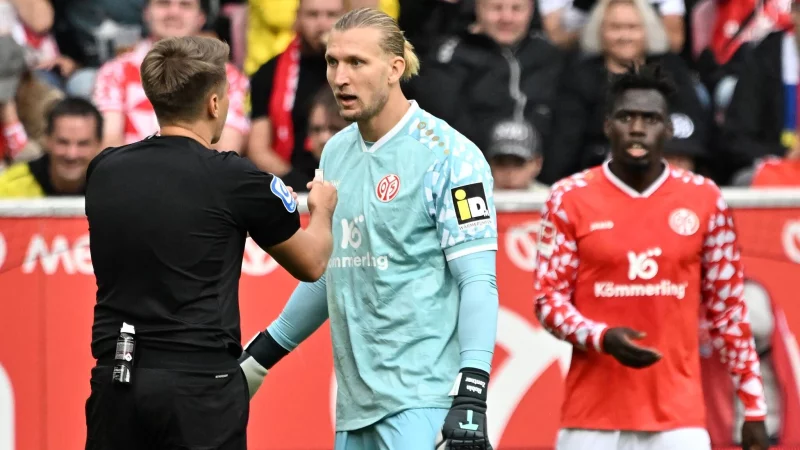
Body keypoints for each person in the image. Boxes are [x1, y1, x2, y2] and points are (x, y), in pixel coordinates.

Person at [239, 7, 500, 450]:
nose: (340, 77)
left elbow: (478, 280)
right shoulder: (337, 153)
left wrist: (472, 391)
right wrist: (260, 358)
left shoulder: (451, 156)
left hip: (425, 404)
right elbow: (336, 268)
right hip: (356, 409)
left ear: (395, 68)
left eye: (357, 63)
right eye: (332, 61)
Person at [83, 36, 338, 450]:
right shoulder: (236, 179)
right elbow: (311, 264)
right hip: (198, 386)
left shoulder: (105, 170)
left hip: (115, 379)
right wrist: (322, 208)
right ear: (214, 104)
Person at [532, 63, 770, 450]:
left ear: (669, 128)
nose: (638, 128)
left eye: (650, 118)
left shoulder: (704, 199)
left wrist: (754, 408)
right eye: (627, 117)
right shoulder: (569, 197)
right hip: (591, 416)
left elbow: (728, 311)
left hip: (678, 417)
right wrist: (601, 337)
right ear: (608, 125)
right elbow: (548, 302)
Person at [0, 97, 101, 197]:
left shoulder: (113, 189)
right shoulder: (7, 189)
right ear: (47, 140)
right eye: (63, 142)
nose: (71, 154)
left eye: (82, 144)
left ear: (98, 145)